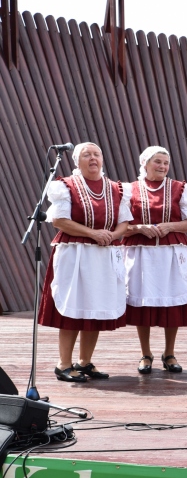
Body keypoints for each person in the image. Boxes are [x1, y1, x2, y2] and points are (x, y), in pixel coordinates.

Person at [38, 142, 132, 382]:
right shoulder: (66, 186)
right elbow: (59, 220)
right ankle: (63, 364)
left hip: (103, 254)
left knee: (95, 308)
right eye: (86, 155)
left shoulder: (116, 188)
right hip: (76, 252)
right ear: (76, 161)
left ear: (102, 159)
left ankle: (85, 362)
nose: (93, 158)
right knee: (73, 306)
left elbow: (124, 222)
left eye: (97, 154)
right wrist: (93, 233)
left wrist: (112, 234)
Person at [122, 146, 187, 374]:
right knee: (142, 301)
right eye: (158, 162)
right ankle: (146, 354)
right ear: (145, 163)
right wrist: (139, 228)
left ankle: (169, 353)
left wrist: (169, 226)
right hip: (141, 252)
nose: (163, 167)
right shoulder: (130, 191)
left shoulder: (180, 189)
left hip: (170, 253)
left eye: (166, 163)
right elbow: (121, 227)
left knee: (172, 302)